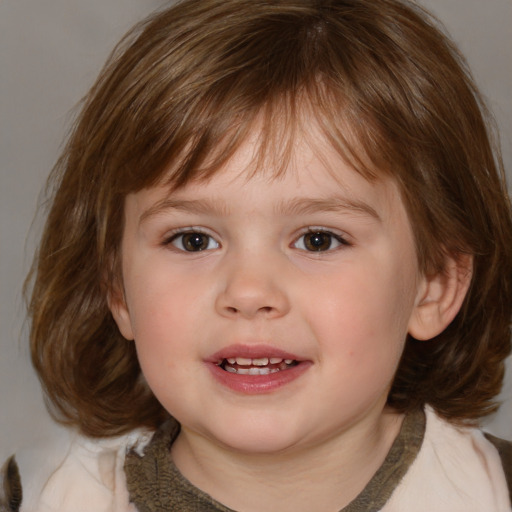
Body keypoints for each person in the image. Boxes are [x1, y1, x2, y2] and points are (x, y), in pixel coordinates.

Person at [2, 0, 512, 510]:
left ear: (436, 284)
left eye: (318, 240)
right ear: (117, 288)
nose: (248, 292)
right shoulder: (40, 497)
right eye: (193, 240)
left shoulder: (491, 491)